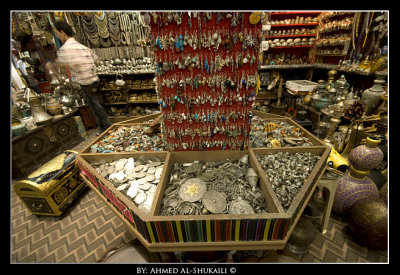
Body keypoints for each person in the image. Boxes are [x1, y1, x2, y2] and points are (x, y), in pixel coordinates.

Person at [49, 20, 111, 134]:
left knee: (96, 108)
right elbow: (98, 62)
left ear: (62, 32)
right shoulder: (82, 46)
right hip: (94, 80)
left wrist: (51, 67)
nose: (58, 37)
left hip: (86, 82)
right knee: (98, 105)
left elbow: (59, 65)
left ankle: (106, 129)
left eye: (57, 34)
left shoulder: (65, 49)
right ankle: (104, 128)